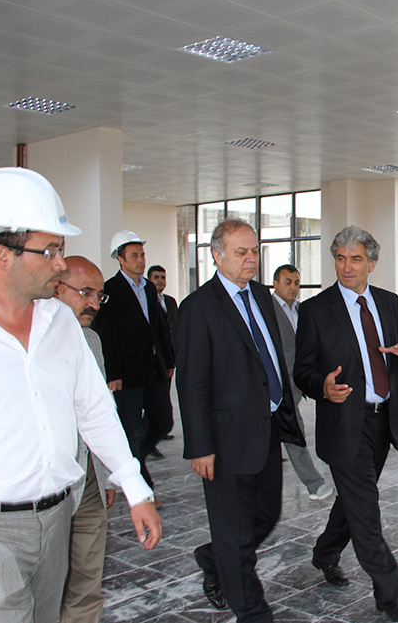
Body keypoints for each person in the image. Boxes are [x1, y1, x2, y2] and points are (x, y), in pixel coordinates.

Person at [0, 167, 160, 623]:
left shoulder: (60, 323)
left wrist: (135, 487)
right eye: (51, 251)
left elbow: (94, 410)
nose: (61, 263)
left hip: (57, 519)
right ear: (3, 255)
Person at [176, 218, 306, 622]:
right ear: (217, 256)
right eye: (241, 252)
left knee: (266, 514)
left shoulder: (263, 298)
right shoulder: (198, 307)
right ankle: (252, 612)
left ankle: (214, 557)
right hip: (223, 440)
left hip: (266, 430)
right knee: (234, 532)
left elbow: (271, 360)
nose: (251, 259)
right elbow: (191, 383)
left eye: (254, 251)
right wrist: (200, 446)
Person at [294, 225, 398, 623]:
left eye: (356, 259)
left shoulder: (389, 303)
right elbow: (302, 370)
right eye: (340, 258)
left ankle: (325, 552)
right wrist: (322, 386)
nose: (347, 267)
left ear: (372, 263)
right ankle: (390, 595)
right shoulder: (316, 310)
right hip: (344, 423)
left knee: (354, 501)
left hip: (382, 422)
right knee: (366, 511)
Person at [55, 255, 117, 623]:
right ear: (56, 288)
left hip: (89, 478)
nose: (94, 303)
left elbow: (100, 413)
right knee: (49, 584)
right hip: (50, 482)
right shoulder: (29, 338)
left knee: (86, 578)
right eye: (85, 293)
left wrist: (107, 474)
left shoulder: (92, 340)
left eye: (99, 296)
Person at [92, 230, 175, 500]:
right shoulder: (111, 290)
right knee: (131, 430)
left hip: (153, 369)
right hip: (126, 375)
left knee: (163, 422)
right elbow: (107, 334)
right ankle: (143, 487)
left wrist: (168, 360)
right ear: (120, 258)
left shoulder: (149, 288)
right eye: (134, 255)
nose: (140, 260)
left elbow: (159, 327)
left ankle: (136, 456)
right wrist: (113, 373)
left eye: (142, 255)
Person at [271, 263, 334, 501]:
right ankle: (314, 483)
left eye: (296, 282)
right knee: (294, 431)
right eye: (287, 282)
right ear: (275, 284)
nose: (293, 287)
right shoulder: (267, 311)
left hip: (299, 381)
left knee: (285, 431)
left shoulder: (301, 310)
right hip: (277, 386)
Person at [147, 264, 178, 449]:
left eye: (162, 277)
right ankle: (150, 436)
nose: (160, 281)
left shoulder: (170, 302)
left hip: (169, 357)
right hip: (153, 358)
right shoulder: (146, 301)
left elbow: (175, 328)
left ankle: (162, 428)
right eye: (156, 277)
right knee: (153, 398)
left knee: (165, 394)